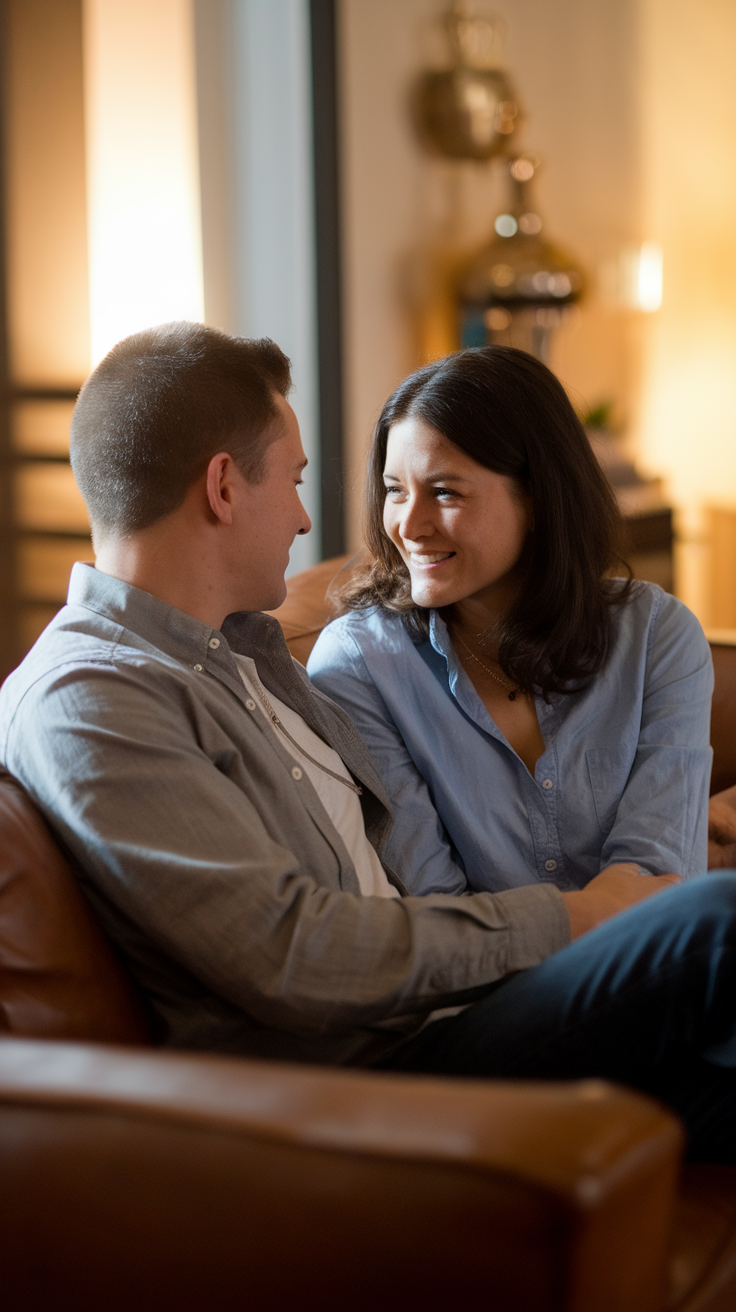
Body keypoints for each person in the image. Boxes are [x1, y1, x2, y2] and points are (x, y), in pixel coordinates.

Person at [1, 321, 736, 1164]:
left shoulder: (242, 655)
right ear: (223, 488)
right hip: (376, 1074)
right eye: (295, 479)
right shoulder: (93, 696)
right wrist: (577, 915)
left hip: (447, 1028)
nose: (309, 516)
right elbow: (288, 953)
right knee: (715, 923)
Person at [308, 347, 712, 898]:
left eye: (445, 491)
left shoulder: (657, 636)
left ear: (539, 498)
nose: (409, 525)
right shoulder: (360, 665)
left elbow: (657, 873)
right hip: (484, 978)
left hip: (644, 964)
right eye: (396, 490)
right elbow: (436, 905)